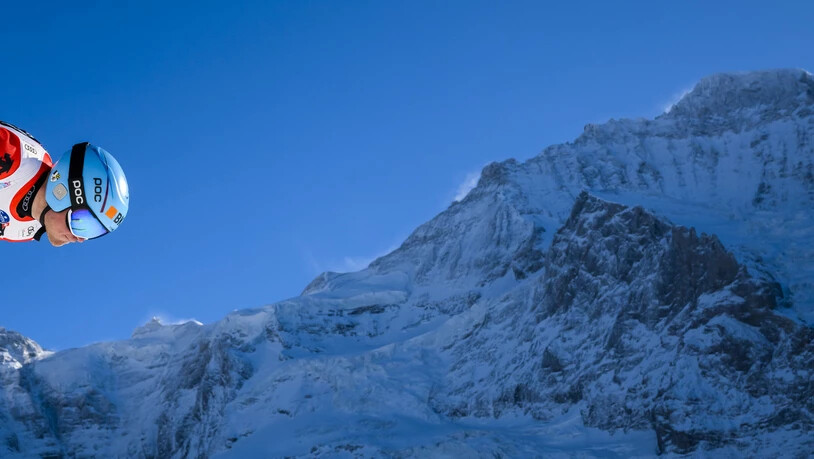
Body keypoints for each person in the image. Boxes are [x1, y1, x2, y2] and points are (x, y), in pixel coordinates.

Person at [0, 120, 129, 247]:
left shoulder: (26, 230)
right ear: (62, 193)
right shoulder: (12, 156)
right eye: (82, 224)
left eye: (92, 231)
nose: (79, 239)